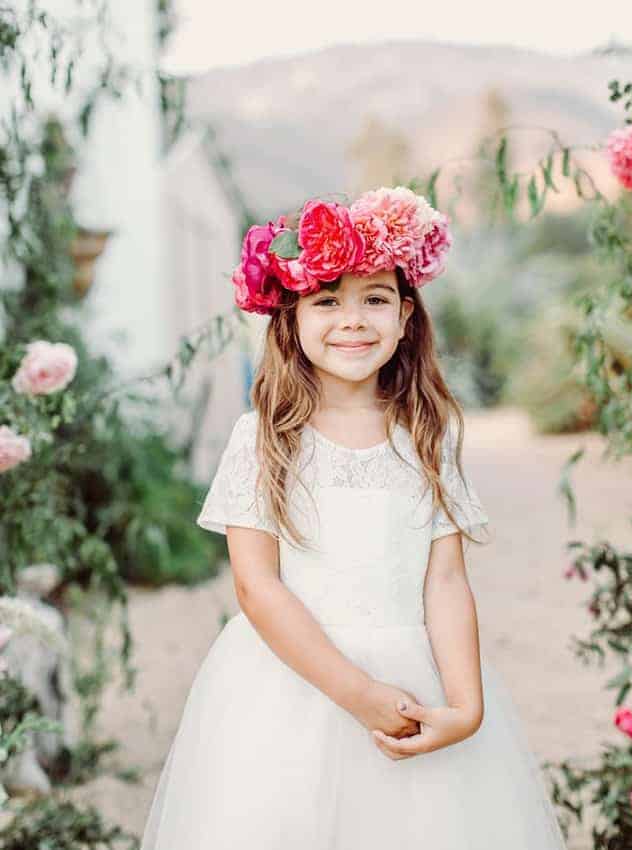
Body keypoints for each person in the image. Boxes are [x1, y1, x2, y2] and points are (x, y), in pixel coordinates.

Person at [139, 186, 568, 849]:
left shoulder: (427, 437)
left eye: (374, 299)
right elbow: (257, 586)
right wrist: (358, 693)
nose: (353, 320)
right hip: (290, 685)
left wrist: (465, 706)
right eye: (327, 301)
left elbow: (445, 580)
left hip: (414, 682)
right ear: (291, 318)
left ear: (405, 316)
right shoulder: (263, 440)